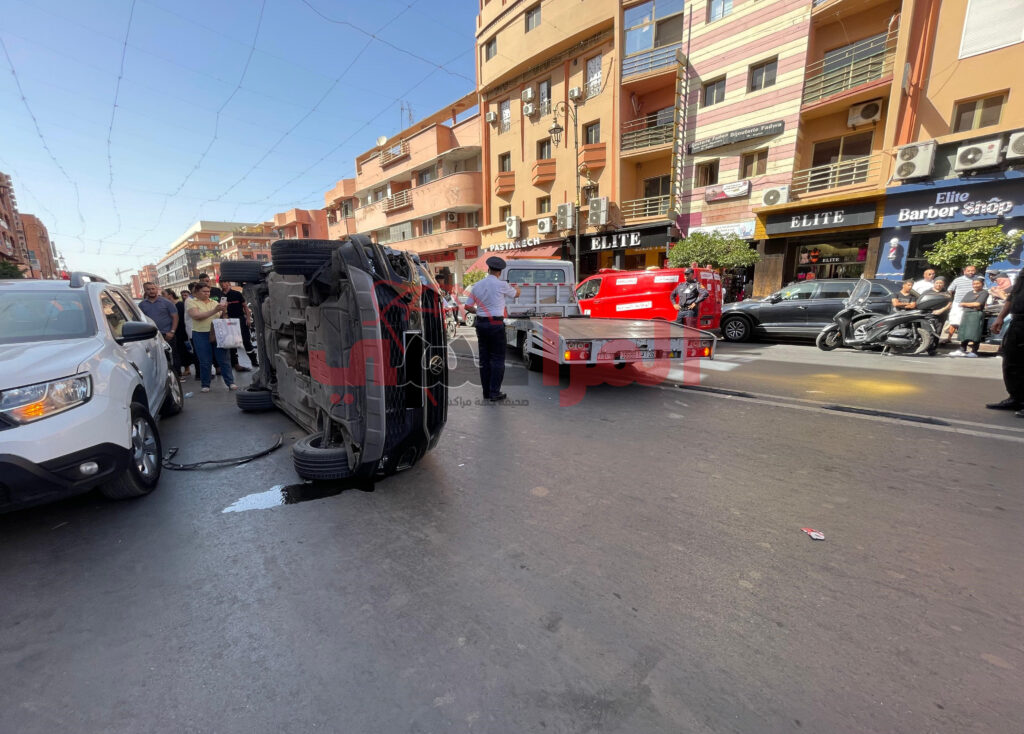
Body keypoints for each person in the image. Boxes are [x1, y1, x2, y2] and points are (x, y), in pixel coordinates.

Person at [464, 256, 520, 402]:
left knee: (484, 359)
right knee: (497, 359)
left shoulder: (477, 285)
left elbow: (467, 306)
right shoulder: (502, 285)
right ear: (499, 272)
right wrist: (516, 287)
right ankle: (494, 392)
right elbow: (516, 294)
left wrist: (480, 311)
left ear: (488, 269)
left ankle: (486, 392)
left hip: (481, 325)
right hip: (496, 325)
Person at [986, 272, 1024, 415]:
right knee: (1011, 361)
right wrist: (1000, 317)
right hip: (1018, 322)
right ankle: (1016, 398)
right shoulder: (1022, 275)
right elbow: (1012, 296)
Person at [186, 283, 236, 393]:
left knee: (224, 359)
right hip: (200, 333)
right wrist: (215, 310)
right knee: (205, 361)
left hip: (218, 332)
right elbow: (196, 316)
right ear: (197, 292)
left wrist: (224, 310)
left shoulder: (214, 302)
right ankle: (205, 384)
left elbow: (223, 317)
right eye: (204, 291)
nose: (207, 293)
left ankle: (230, 382)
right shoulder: (191, 302)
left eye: (208, 291)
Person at [138, 281, 179, 374]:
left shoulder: (167, 302)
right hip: (151, 336)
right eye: (148, 289)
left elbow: (175, 317)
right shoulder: (142, 305)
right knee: (155, 358)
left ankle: (177, 375)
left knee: (171, 356)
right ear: (145, 291)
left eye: (153, 289)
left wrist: (172, 332)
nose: (151, 291)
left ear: (156, 289)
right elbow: (140, 320)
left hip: (167, 335)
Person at [219, 280, 258, 371]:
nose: (223, 284)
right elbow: (220, 310)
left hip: (240, 319)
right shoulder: (220, 295)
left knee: (246, 341)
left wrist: (248, 318)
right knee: (231, 343)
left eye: (224, 282)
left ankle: (254, 361)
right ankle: (235, 364)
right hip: (228, 321)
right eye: (221, 282)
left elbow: (245, 307)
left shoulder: (237, 294)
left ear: (228, 283)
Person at [952, 276, 988, 357]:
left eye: (977, 283)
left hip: (976, 314)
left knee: (975, 333)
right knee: (964, 332)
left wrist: (967, 304)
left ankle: (974, 351)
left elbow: (978, 304)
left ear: (982, 284)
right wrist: (970, 305)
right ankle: (962, 349)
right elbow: (961, 303)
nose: (975, 285)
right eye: (974, 284)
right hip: (966, 313)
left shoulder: (984, 293)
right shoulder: (969, 293)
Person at [943, 264, 977, 342]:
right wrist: (950, 301)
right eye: (969, 271)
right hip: (958, 303)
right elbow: (950, 290)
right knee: (954, 321)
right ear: (964, 271)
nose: (971, 272)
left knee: (970, 322)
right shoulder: (957, 280)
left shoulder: (979, 280)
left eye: (972, 271)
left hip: (972, 304)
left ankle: (968, 339)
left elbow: (984, 290)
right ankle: (949, 338)